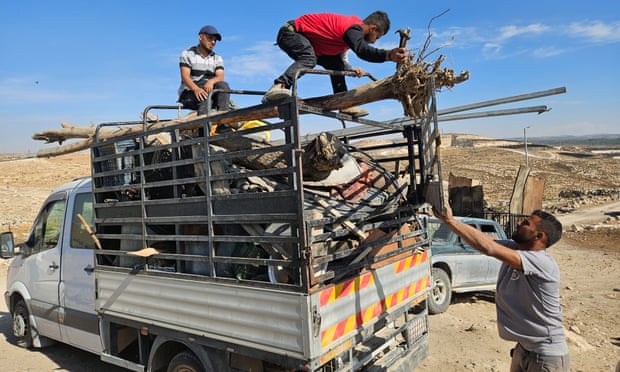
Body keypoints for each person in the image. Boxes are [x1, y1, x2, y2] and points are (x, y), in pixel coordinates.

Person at [432, 203, 570, 372]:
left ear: (539, 236)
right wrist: (449, 222)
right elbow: (485, 241)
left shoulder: (542, 262)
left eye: (526, 224)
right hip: (524, 349)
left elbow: (489, 248)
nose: (518, 223)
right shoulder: (515, 248)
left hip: (547, 355)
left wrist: (450, 221)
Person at [262, 11, 408, 117]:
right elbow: (363, 51)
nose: (374, 41)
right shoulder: (353, 28)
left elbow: (341, 62)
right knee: (309, 58)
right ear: (372, 28)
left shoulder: (347, 37)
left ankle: (344, 104)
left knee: (336, 66)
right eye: (376, 37)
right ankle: (279, 86)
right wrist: (388, 55)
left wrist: (352, 71)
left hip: (305, 41)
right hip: (291, 33)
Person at [178, 25, 231, 115]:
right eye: (210, 38)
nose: (213, 42)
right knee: (204, 93)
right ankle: (203, 127)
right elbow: (185, 77)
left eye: (215, 40)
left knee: (223, 86)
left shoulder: (217, 58)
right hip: (190, 92)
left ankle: (223, 123)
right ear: (200, 37)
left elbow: (220, 77)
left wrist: (211, 82)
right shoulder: (187, 54)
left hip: (208, 91)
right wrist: (196, 89)